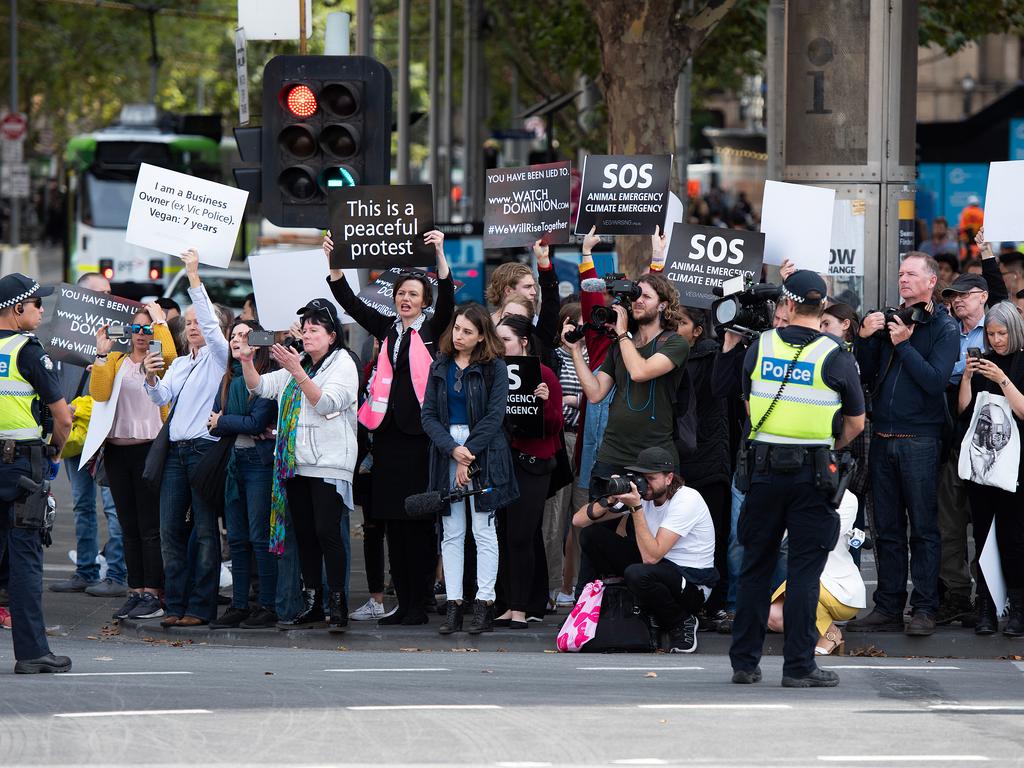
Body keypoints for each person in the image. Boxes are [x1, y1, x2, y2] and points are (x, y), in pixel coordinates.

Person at [729, 270, 865, 688]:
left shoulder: (760, 346)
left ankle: (745, 663)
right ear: (822, 306)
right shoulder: (836, 353)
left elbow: (748, 406)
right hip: (813, 474)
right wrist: (828, 444)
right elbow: (856, 423)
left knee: (755, 567)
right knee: (805, 572)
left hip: (765, 471)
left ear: (785, 305)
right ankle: (799, 667)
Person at [325, 229, 453, 625]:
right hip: (388, 438)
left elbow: (447, 298)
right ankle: (404, 605)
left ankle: (419, 603)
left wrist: (440, 253)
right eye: (401, 294)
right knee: (394, 524)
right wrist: (334, 263)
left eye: (413, 294)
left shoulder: (432, 331)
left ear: (423, 302)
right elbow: (349, 302)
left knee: (417, 524)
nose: (405, 299)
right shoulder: (389, 330)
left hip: (420, 439)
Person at [849, 252, 959, 636]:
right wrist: (865, 338)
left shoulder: (944, 328)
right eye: (900, 274)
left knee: (924, 529)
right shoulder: (891, 320)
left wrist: (905, 345)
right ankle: (889, 606)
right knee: (887, 530)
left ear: (932, 281)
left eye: (911, 274)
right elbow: (867, 374)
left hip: (920, 440)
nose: (903, 279)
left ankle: (926, 608)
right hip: (882, 437)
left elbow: (934, 382)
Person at [243, 299, 359, 632]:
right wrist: (248, 361)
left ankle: (337, 605)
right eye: (305, 330)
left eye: (315, 330)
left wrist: (296, 371)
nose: (307, 336)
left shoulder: (343, 364)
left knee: (327, 532)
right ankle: (313, 602)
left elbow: (327, 403)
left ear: (332, 335)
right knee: (306, 535)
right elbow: (260, 387)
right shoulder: (302, 362)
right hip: (295, 464)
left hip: (329, 462)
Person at [145, 249, 232, 628]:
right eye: (190, 322)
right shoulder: (182, 362)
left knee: (204, 532)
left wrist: (193, 276)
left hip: (204, 451)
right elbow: (162, 397)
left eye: (201, 321)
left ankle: (200, 608)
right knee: (169, 530)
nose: (194, 326)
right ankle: (175, 604)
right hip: (177, 453)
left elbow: (213, 329)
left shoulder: (219, 357)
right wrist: (150, 378)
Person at [420, 304, 518, 635]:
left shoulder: (495, 368)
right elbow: (428, 415)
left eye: (467, 331)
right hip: (449, 448)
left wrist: (469, 454)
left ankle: (484, 604)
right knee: (452, 531)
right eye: (457, 328)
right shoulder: (440, 365)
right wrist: (454, 450)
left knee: (483, 529)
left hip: (483, 450)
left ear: (480, 337)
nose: (458, 335)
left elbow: (494, 416)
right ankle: (454, 604)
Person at [572, 446, 717, 654]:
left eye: (650, 478)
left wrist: (636, 508)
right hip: (657, 570)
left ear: (669, 478)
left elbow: (651, 556)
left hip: (691, 583)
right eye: (640, 477)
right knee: (592, 537)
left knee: (638, 572)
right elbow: (579, 521)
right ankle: (611, 608)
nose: (643, 484)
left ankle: (682, 621)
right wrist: (610, 499)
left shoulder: (687, 499)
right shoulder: (644, 495)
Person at [0, 273, 73, 673]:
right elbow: (62, 417)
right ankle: (31, 653)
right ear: (17, 309)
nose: (42, 311)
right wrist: (55, 454)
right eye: (37, 305)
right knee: (25, 561)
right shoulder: (28, 352)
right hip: (21, 466)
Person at [563, 272, 690, 497]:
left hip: (654, 455)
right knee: (600, 527)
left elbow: (639, 372)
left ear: (663, 305)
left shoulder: (674, 342)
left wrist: (622, 333)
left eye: (646, 297)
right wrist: (575, 351)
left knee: (647, 526)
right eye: (635, 296)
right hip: (612, 452)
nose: (638, 301)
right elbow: (595, 393)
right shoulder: (620, 346)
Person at [89, 302, 177, 621]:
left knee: (149, 526)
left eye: (147, 329)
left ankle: (154, 592)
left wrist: (160, 323)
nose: (142, 335)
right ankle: (135, 589)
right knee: (127, 525)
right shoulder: (116, 360)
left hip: (149, 449)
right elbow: (98, 394)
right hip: (116, 450)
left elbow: (169, 356)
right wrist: (101, 355)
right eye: (136, 329)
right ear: (128, 332)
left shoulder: (159, 360)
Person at [50, 272, 126, 598]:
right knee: (82, 504)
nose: (110, 300)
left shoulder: (120, 333)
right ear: (83, 299)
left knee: (112, 506)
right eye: (102, 294)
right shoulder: (63, 336)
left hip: (108, 431)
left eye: (110, 293)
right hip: (77, 429)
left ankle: (119, 574)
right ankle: (86, 570)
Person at [957, 301, 1024, 636]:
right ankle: (985, 607)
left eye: (1002, 333)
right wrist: (968, 377)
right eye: (992, 334)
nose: (996, 340)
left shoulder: (1020, 361)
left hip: (1014, 466)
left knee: (1014, 537)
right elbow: (965, 411)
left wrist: (1003, 380)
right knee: (982, 537)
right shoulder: (984, 363)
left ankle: (1017, 609)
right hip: (983, 463)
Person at [208, 319, 279, 629]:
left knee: (259, 536)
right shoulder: (228, 379)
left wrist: (226, 421)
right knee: (236, 538)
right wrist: (230, 421)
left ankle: (267, 604)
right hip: (233, 461)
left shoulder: (266, 378)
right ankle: (238, 605)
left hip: (258, 464)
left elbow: (255, 422)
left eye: (244, 335)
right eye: (233, 335)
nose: (236, 339)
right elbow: (211, 420)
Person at [494, 314, 563, 627]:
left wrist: (544, 403)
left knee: (521, 535)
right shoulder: (494, 372)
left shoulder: (544, 373)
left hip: (533, 464)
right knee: (506, 536)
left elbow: (555, 426)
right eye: (497, 339)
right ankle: (510, 603)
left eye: (505, 339)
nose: (500, 345)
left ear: (523, 341)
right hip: (503, 463)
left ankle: (521, 607)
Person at [674, 307, 731, 623]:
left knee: (715, 536)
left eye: (681, 323)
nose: (675, 328)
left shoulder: (711, 356)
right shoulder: (669, 352)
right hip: (679, 460)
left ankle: (715, 602)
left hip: (708, 462)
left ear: (698, 330)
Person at [766, 491, 866, 655]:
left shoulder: (847, 498)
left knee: (802, 586)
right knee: (773, 617)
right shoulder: (797, 495)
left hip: (840, 587)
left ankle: (830, 635)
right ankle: (817, 630)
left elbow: (825, 538)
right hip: (805, 580)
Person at [543, 301, 588, 608]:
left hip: (586, 441)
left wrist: (573, 398)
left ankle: (579, 586)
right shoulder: (553, 357)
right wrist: (573, 399)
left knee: (584, 519)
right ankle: (551, 586)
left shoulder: (596, 357)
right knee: (554, 519)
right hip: (560, 440)